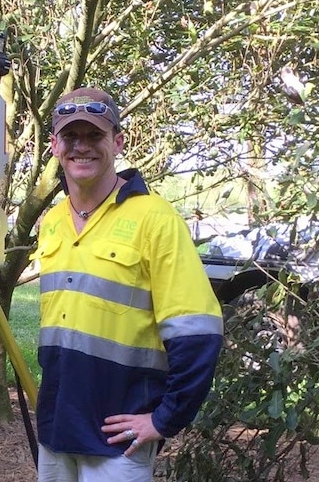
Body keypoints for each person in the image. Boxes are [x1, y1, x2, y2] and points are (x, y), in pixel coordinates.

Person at [31, 88, 224, 482]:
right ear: (54, 145)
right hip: (56, 429)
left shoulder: (155, 218)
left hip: (117, 439)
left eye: (94, 136)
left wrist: (166, 419)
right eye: (70, 137)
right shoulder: (52, 221)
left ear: (118, 142)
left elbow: (198, 330)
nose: (81, 147)